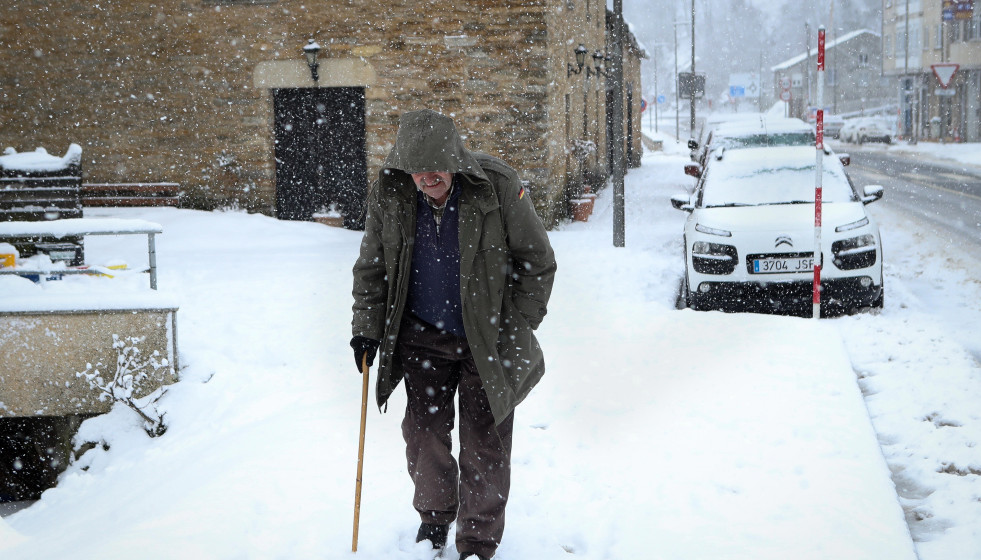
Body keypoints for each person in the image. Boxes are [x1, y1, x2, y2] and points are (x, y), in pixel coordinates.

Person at [350, 109, 556, 560]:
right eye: (418, 172)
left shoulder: (497, 186)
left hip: (487, 342)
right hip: (421, 337)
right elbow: (373, 268)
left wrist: (514, 325)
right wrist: (365, 330)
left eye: (436, 170)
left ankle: (478, 541)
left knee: (485, 443)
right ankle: (435, 517)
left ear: (456, 160)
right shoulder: (390, 193)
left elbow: (536, 260)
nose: (428, 179)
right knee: (424, 436)